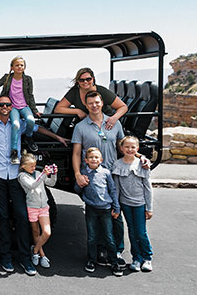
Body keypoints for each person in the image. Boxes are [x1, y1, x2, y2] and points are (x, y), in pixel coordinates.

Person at [0, 95, 69, 276]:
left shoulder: (18, 125)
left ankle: (25, 259)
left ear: (12, 107)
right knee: (2, 217)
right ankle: (6, 257)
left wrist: (57, 136)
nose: (4, 107)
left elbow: (38, 128)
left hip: (16, 176)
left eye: (8, 105)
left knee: (21, 215)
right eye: (1, 104)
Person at [71, 90, 126, 268]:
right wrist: (78, 174)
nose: (94, 105)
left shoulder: (114, 123)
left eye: (97, 102)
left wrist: (139, 159)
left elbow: (123, 147)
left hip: (113, 174)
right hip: (93, 177)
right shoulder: (81, 127)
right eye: (90, 103)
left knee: (116, 216)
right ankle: (99, 251)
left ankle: (117, 252)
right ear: (86, 106)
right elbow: (77, 153)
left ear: (102, 103)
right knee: (95, 214)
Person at [0, 56, 40, 163]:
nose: (19, 67)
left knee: (31, 121)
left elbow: (30, 95)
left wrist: (35, 110)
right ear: (12, 67)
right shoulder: (7, 78)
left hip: (24, 106)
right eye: (17, 65)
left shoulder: (28, 79)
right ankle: (14, 152)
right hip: (13, 107)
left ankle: (28, 137)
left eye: (21, 65)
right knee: (15, 124)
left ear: (24, 67)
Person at [74, 147, 123, 277]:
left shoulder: (106, 172)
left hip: (106, 209)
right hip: (91, 209)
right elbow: (77, 189)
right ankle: (91, 260)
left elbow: (112, 190)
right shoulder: (83, 172)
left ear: (101, 159)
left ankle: (114, 262)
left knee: (109, 237)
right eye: (91, 157)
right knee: (91, 237)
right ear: (86, 160)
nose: (94, 159)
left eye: (96, 157)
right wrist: (81, 184)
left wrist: (116, 207)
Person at [111, 136, 154, 272]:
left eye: (133, 147)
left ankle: (147, 257)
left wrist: (149, 208)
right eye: (127, 147)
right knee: (132, 231)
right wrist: (116, 206)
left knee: (141, 232)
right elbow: (116, 188)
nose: (130, 149)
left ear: (137, 149)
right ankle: (136, 258)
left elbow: (148, 188)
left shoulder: (142, 164)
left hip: (140, 203)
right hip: (125, 204)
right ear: (122, 148)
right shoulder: (117, 164)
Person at [18, 152, 57, 269]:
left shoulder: (38, 173)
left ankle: (34, 251)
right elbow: (32, 185)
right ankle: (42, 254)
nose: (34, 168)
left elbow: (51, 183)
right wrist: (44, 174)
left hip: (44, 207)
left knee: (47, 232)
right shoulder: (22, 176)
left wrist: (53, 174)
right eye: (31, 166)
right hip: (32, 207)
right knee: (35, 233)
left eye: (35, 165)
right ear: (23, 166)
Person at [54, 67, 127, 130]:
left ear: (93, 79)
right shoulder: (74, 92)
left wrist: (114, 118)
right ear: (78, 81)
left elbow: (123, 107)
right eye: (81, 80)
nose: (85, 82)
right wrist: (77, 111)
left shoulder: (102, 91)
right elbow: (58, 109)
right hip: (86, 125)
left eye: (88, 79)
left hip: (106, 124)